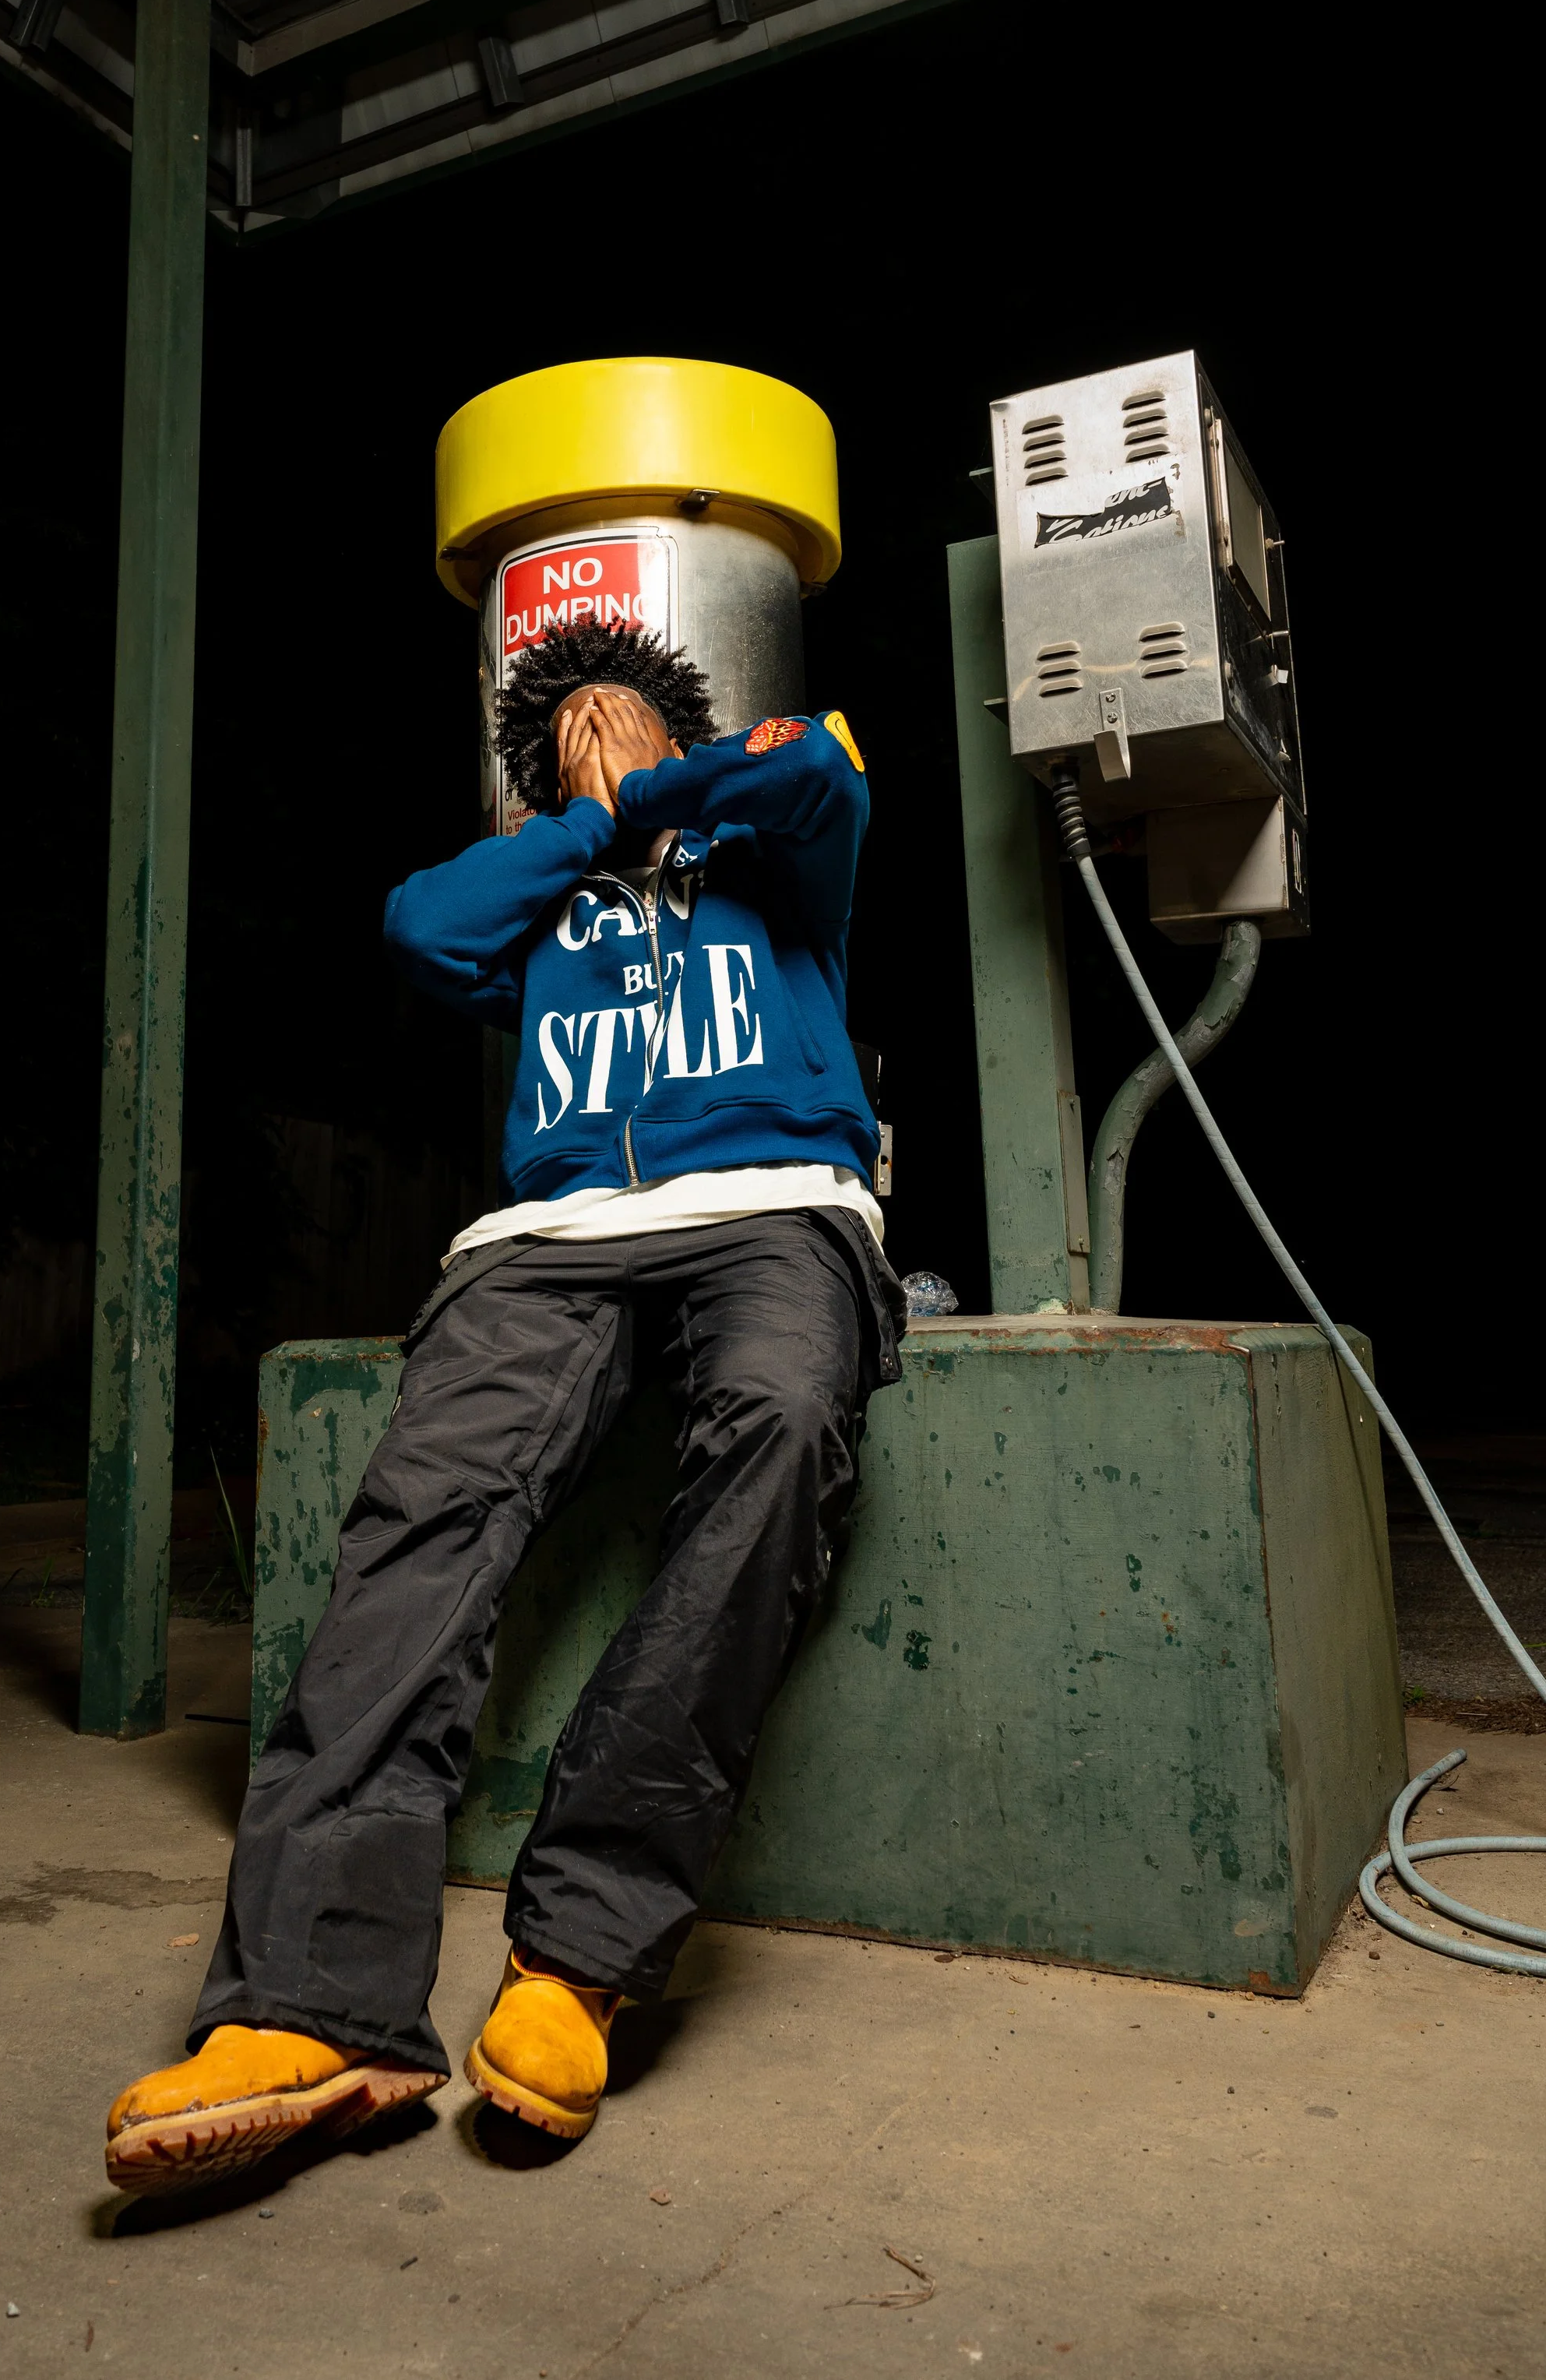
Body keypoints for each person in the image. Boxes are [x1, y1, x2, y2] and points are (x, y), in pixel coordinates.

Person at [104, 617, 903, 2195]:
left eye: (619, 723)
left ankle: (577, 1959)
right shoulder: (539, 892)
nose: (593, 742)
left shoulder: (772, 849)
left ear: (679, 728)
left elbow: (823, 768)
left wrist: (668, 788)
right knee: (423, 1511)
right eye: (564, 741)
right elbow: (417, 924)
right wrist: (584, 823)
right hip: (545, 1245)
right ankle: (316, 2006)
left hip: (774, 1207)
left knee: (782, 1416)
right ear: (539, 782)